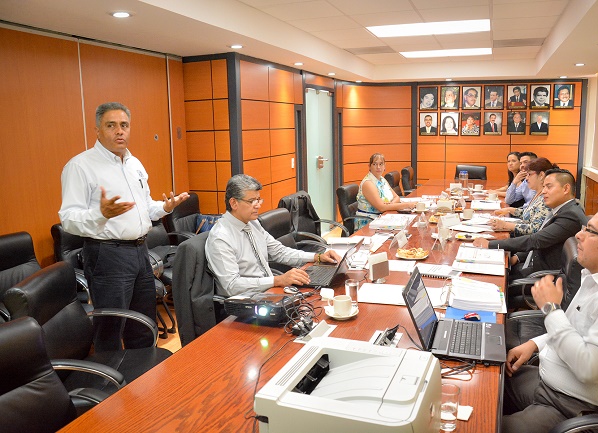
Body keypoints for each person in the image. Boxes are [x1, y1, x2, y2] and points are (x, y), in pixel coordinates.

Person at [502, 204, 598, 433]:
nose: (579, 235)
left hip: (579, 409)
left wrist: (551, 309)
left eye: (590, 231)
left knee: (483, 425)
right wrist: (534, 344)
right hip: (551, 386)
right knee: (487, 373)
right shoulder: (597, 276)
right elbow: (573, 329)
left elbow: (588, 367)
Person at [59, 102, 189, 351]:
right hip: (107, 254)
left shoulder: (134, 163)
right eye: (111, 125)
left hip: (140, 251)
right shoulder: (80, 166)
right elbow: (68, 219)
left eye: (124, 125)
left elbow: (145, 207)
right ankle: (108, 376)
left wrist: (164, 208)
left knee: (143, 323)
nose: (119, 131)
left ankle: (145, 372)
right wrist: (100, 215)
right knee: (112, 326)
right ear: (97, 130)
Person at [205, 174, 341, 297]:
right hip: (247, 301)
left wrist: (317, 257)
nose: (258, 205)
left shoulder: (253, 224)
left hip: (269, 292)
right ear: (234, 203)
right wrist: (277, 280)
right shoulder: (221, 238)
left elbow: (280, 252)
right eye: (252, 201)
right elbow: (232, 286)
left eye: (259, 200)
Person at [473, 168, 588, 280]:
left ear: (566, 189)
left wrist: (490, 244)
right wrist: (518, 257)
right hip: (534, 264)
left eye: (549, 187)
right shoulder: (564, 209)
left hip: (543, 278)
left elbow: (536, 240)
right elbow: (543, 241)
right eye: (544, 187)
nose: (543, 191)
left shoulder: (570, 216)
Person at [490, 158, 555, 236]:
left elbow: (534, 229)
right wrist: (510, 210)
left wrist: (505, 225)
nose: (526, 178)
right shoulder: (538, 194)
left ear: (541, 175)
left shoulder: (545, 198)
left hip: (526, 241)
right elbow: (529, 215)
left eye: (529, 174)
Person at [355, 153, 415, 229]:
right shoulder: (368, 183)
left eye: (381, 164)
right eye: (374, 164)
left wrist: (391, 204)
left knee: (408, 225)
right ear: (369, 166)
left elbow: (396, 197)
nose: (378, 167)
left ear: (384, 166)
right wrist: (407, 205)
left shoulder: (382, 179)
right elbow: (382, 207)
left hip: (383, 218)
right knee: (405, 229)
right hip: (368, 224)